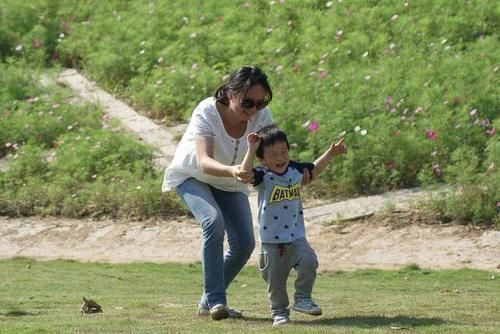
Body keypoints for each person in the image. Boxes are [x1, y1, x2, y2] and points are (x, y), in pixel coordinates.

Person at [162, 66, 301, 320]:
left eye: (261, 102)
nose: (254, 109)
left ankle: (207, 303)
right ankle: (216, 301)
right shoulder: (207, 110)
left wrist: (298, 171)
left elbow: (268, 157)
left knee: (244, 244)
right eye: (247, 102)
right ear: (230, 93)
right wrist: (233, 170)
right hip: (193, 175)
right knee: (213, 222)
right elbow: (204, 162)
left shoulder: (261, 116)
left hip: (231, 181)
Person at [240, 124, 347, 326]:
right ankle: (279, 312)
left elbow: (314, 170)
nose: (280, 158)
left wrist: (331, 154)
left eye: (284, 152)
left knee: (309, 261)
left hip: (296, 235)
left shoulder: (295, 170)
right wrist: (251, 149)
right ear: (262, 159)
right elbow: (245, 173)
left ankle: (303, 299)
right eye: (273, 154)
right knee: (276, 283)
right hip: (272, 241)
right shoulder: (263, 176)